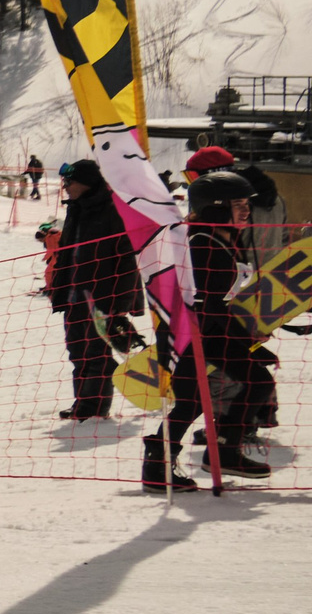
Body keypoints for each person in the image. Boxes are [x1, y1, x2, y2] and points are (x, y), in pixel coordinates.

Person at [154, 167, 277, 488]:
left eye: (246, 203)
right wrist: (248, 338)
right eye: (238, 204)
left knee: (256, 382)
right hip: (191, 335)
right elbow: (208, 305)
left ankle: (224, 449)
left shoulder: (224, 240)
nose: (246, 209)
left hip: (211, 333)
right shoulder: (203, 244)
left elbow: (223, 304)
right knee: (191, 400)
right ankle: (158, 466)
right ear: (217, 207)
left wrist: (251, 334)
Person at [52, 159, 139, 421]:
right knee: (77, 349)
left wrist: (121, 303)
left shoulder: (113, 210)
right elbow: (66, 254)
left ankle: (95, 406)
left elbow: (127, 259)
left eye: (69, 182)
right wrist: (58, 289)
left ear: (86, 183)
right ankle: (83, 402)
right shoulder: (76, 209)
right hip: (74, 294)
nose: (65, 187)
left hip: (101, 296)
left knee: (97, 352)